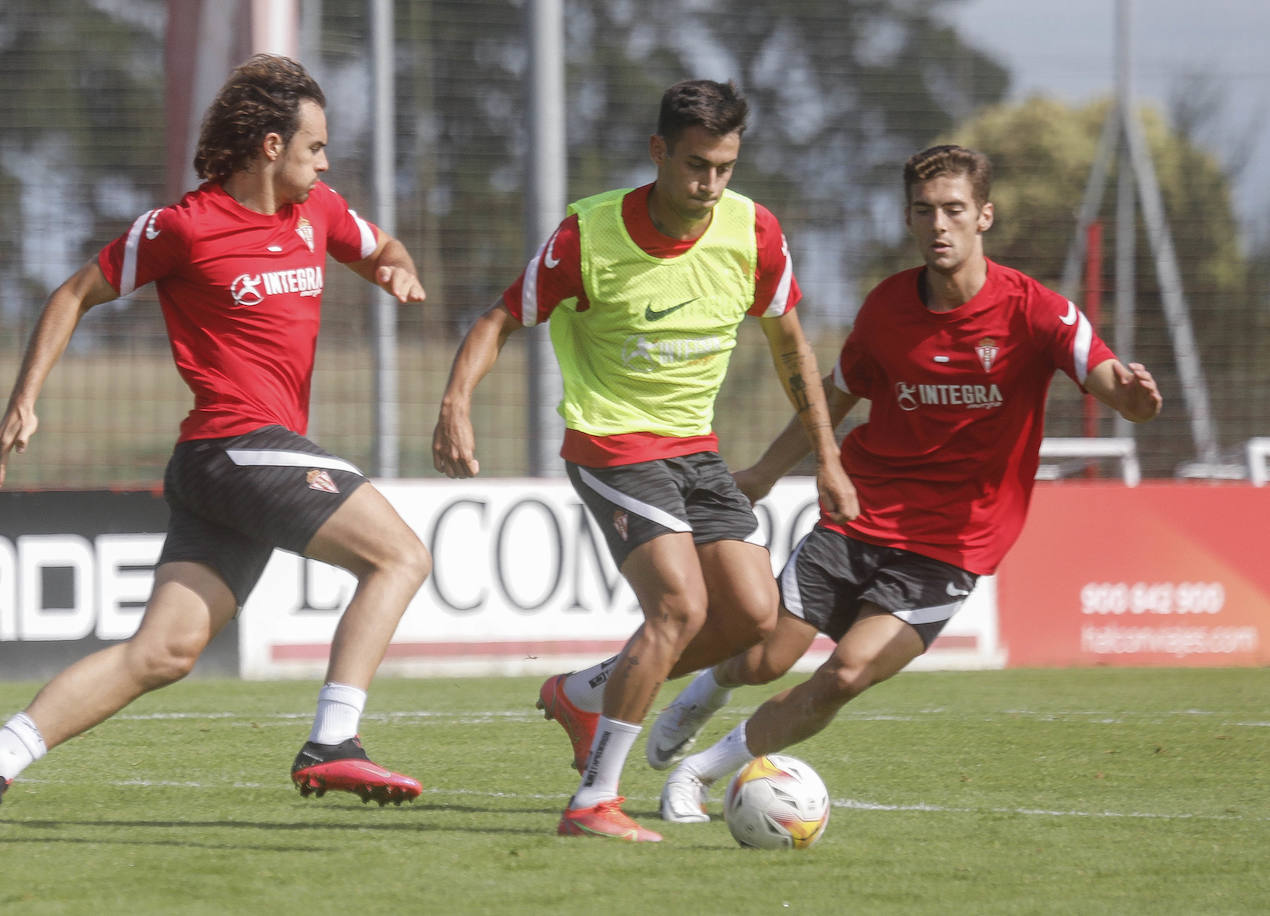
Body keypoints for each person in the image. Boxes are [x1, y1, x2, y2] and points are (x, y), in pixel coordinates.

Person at [0, 54, 431, 848]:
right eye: (315, 148)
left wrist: (396, 272)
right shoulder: (181, 227)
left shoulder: (321, 211)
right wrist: (24, 398)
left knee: (163, 651)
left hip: (225, 469)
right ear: (271, 146)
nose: (327, 163)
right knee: (400, 556)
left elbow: (385, 247)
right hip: (233, 445)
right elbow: (72, 294)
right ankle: (334, 739)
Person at [653, 144, 1164, 823]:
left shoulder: (1037, 312)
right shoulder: (887, 308)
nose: (939, 225)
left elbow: (1110, 384)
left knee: (845, 674)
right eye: (924, 212)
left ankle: (698, 774)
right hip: (859, 514)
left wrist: (1138, 401)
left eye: (954, 210)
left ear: (985, 216)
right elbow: (832, 395)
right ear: (908, 219)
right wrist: (768, 471)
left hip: (952, 545)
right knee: (766, 658)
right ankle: (702, 694)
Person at [432, 79, 858, 843]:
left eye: (726, 166)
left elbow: (791, 344)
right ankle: (593, 801)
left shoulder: (754, 232)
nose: (711, 184)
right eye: (697, 165)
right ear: (659, 152)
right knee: (680, 608)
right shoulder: (587, 235)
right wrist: (455, 402)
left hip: (697, 448)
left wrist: (827, 457)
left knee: (756, 623)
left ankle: (587, 690)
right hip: (612, 442)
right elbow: (500, 317)